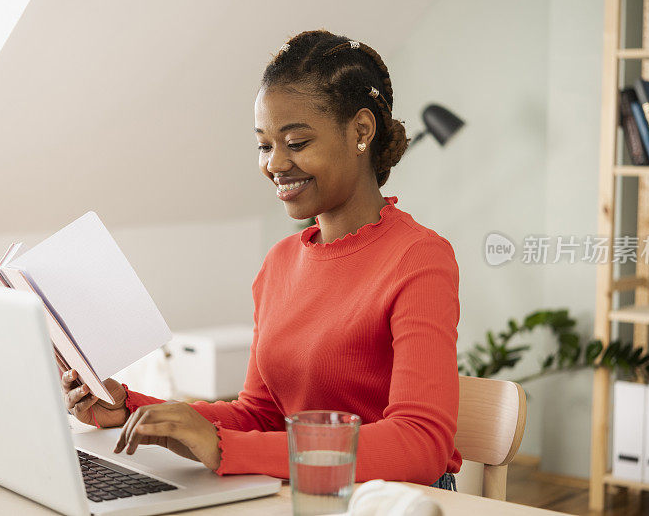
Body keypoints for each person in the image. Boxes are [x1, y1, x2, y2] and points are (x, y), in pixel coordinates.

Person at [60, 29, 461, 491]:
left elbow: (419, 445)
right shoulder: (280, 263)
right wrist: (128, 408)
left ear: (361, 132)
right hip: (302, 491)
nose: (274, 164)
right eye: (264, 145)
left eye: (295, 142)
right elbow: (261, 414)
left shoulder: (419, 258)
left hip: (392, 499)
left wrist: (225, 447)